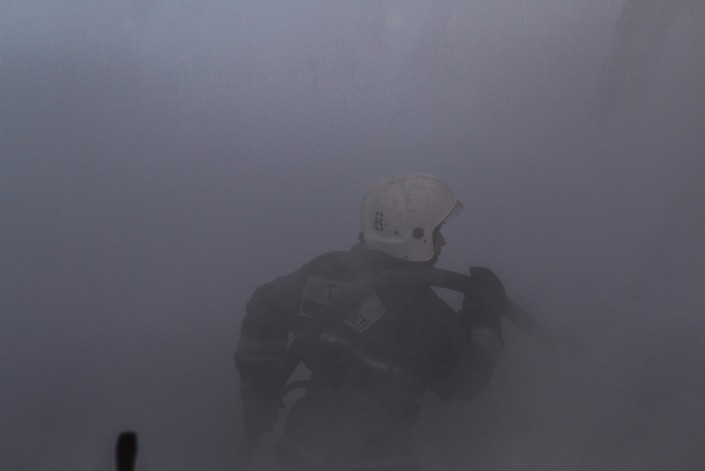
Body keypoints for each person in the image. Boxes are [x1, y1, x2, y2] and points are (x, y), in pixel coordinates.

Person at [235, 174, 506, 470]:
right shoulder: (422, 312)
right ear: (413, 236)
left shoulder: (326, 272)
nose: (443, 242)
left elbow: (265, 306)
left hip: (302, 446)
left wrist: (257, 384)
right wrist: (486, 312)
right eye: (436, 232)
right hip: (378, 455)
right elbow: (468, 380)